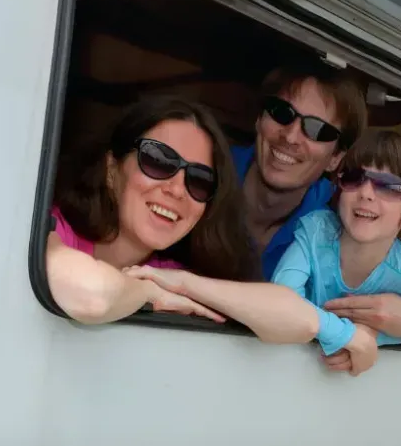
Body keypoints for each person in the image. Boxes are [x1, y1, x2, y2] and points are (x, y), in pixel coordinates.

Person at [46, 95, 321, 346]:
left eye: (199, 180)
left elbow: (303, 322)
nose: (176, 189)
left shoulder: (170, 274)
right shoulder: (52, 230)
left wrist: (183, 283)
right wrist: (149, 292)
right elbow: (91, 296)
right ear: (111, 169)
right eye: (157, 160)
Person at [232, 63, 401, 348]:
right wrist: (348, 335)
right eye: (282, 113)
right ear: (258, 119)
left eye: (317, 130)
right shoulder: (202, 174)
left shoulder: (335, 213)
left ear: (335, 159)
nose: (291, 136)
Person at [271, 130, 401, 376]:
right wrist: (350, 335)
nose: (366, 193)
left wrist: (374, 335)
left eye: (388, 186)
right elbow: (282, 298)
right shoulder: (316, 231)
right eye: (355, 177)